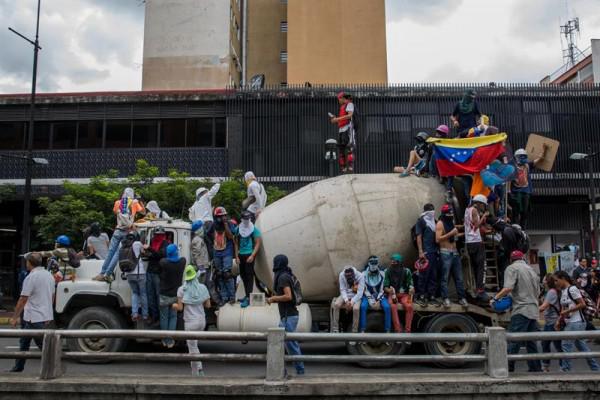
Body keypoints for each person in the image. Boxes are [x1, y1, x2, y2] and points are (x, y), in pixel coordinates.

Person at [491, 250, 542, 373]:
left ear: (510, 259)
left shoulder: (512, 268)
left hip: (521, 310)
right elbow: (538, 292)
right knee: (531, 343)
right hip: (533, 310)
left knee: (514, 340)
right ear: (523, 258)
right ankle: (535, 369)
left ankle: (507, 368)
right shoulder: (531, 270)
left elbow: (508, 287)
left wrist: (495, 298)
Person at [9, 252, 55, 372]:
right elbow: (52, 296)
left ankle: (51, 369)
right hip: (42, 315)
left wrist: (14, 317)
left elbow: (23, 299)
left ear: (29, 263)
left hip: (34, 317)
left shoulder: (31, 277)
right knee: (24, 342)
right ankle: (18, 367)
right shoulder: (49, 275)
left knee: (43, 345)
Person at [94, 187, 145, 282]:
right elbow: (143, 212)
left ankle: (102, 273)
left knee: (110, 252)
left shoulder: (118, 202)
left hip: (117, 231)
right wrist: (140, 201)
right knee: (117, 254)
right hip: (126, 231)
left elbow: (115, 211)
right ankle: (108, 274)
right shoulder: (134, 202)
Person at [266, 255, 305, 376]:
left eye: (275, 262)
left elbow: (288, 296)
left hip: (289, 316)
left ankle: (300, 370)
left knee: (290, 344)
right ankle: (282, 370)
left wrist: (273, 298)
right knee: (280, 343)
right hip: (287, 316)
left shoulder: (283, 277)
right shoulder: (285, 275)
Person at [554, 270, 600, 372]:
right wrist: (559, 320)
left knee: (565, 344)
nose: (555, 283)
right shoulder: (563, 291)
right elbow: (563, 308)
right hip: (570, 322)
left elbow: (582, 304)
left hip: (576, 322)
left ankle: (566, 370)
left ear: (563, 279)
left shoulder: (572, 289)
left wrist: (568, 310)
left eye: (557, 280)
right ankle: (596, 369)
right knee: (583, 348)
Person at [173, 265, 211, 377]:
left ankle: (198, 370)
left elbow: (180, 308)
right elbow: (208, 305)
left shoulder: (182, 289)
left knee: (192, 348)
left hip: (190, 322)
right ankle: (195, 372)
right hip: (202, 321)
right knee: (195, 345)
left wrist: (173, 305)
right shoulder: (203, 287)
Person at [435, 205, 468, 307]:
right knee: (444, 278)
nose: (451, 215)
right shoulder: (440, 224)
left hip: (455, 253)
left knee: (459, 278)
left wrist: (465, 233)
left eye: (451, 213)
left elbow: (455, 235)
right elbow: (437, 239)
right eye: (449, 213)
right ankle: (445, 298)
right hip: (445, 253)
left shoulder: (451, 223)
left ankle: (461, 298)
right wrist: (451, 233)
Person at [509, 147, 547, 229]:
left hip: (526, 192)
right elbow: (508, 180)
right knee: (516, 211)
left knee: (525, 212)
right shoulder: (512, 167)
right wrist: (509, 191)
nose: (523, 158)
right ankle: (515, 227)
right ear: (517, 157)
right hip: (516, 192)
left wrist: (544, 150)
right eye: (521, 156)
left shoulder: (527, 165)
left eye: (524, 156)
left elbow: (539, 159)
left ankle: (523, 228)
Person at [159, 243, 186, 348]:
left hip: (164, 295)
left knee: (164, 317)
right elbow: (182, 257)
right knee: (173, 317)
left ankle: (165, 339)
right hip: (176, 295)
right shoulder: (182, 262)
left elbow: (162, 260)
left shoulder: (164, 263)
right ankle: (170, 340)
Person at [488, 217, 529, 287]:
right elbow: (525, 249)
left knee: (505, 271)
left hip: (508, 256)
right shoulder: (523, 236)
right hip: (518, 256)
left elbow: (501, 242)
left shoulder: (508, 232)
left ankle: (504, 287)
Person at [539, 274, 566, 372]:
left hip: (553, 323)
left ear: (547, 282)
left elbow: (543, 307)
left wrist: (532, 310)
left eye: (544, 280)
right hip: (550, 322)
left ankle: (562, 367)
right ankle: (546, 366)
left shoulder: (551, 292)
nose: (543, 282)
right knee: (546, 344)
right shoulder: (552, 291)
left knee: (556, 345)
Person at [414, 203, 441, 307]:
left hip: (434, 253)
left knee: (433, 275)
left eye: (433, 210)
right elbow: (419, 237)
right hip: (425, 253)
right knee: (423, 275)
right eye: (430, 210)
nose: (432, 212)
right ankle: (421, 296)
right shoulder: (421, 221)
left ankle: (431, 296)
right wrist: (421, 251)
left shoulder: (434, 221)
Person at [465, 194, 490, 302]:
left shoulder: (467, 210)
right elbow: (476, 226)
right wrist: (484, 216)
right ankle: (481, 291)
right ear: (479, 203)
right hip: (476, 241)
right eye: (483, 205)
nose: (483, 208)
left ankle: (477, 289)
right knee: (481, 266)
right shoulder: (474, 210)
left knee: (475, 266)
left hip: (469, 242)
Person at [211, 206, 238, 306]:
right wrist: (212, 245)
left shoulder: (230, 224)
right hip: (216, 252)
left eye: (224, 216)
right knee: (219, 274)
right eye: (220, 216)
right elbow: (207, 235)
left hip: (227, 252)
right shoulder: (213, 225)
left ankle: (231, 297)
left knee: (227, 274)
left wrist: (225, 224)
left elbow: (231, 236)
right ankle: (224, 297)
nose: (222, 218)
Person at [235, 210, 262, 308]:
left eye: (247, 219)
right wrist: (236, 256)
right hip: (241, 255)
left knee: (249, 276)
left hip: (249, 254)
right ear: (241, 219)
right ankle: (247, 295)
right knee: (243, 276)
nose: (246, 221)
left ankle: (248, 297)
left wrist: (252, 255)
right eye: (244, 219)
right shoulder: (238, 229)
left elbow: (258, 243)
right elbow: (236, 243)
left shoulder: (254, 229)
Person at [384, 253, 414, 333]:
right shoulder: (388, 271)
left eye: (394, 262)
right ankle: (398, 330)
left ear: (399, 262)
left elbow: (410, 284)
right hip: (393, 294)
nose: (392, 263)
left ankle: (407, 330)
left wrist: (411, 289)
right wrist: (389, 290)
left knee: (409, 306)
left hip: (404, 294)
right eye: (392, 261)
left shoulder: (406, 271)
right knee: (393, 306)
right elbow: (385, 286)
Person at [360, 256, 391, 333]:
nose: (373, 265)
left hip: (379, 295)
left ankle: (388, 330)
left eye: (375, 263)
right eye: (372, 263)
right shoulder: (363, 274)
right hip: (367, 296)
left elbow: (382, 289)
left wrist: (378, 301)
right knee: (363, 307)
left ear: (378, 263)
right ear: (368, 263)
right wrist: (371, 301)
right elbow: (365, 290)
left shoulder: (383, 274)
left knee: (387, 307)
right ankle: (362, 329)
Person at [146, 226, 170, 324]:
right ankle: (154, 316)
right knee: (150, 296)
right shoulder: (152, 241)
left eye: (160, 234)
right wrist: (150, 252)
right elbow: (152, 254)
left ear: (163, 235)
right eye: (156, 234)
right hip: (150, 271)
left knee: (158, 295)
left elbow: (161, 254)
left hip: (158, 273)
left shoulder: (166, 244)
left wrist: (150, 250)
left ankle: (160, 318)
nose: (158, 236)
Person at [123, 232, 149, 322]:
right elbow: (144, 252)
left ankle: (134, 314)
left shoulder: (123, 244)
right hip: (139, 273)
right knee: (143, 294)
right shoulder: (137, 243)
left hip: (129, 273)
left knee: (135, 293)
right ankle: (145, 315)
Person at [331, 266, 365, 333]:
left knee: (356, 309)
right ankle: (335, 329)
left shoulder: (360, 276)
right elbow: (342, 289)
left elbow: (360, 293)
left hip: (356, 295)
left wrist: (352, 302)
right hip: (346, 294)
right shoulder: (342, 275)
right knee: (336, 304)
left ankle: (354, 331)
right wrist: (346, 300)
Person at [330, 92, 356, 173]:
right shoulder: (342, 107)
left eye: (339, 99)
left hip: (347, 128)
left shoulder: (349, 104)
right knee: (341, 149)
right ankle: (344, 168)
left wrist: (337, 119)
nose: (338, 101)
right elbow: (342, 120)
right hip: (341, 129)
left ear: (342, 98)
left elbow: (349, 115)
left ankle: (350, 167)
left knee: (349, 147)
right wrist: (335, 119)